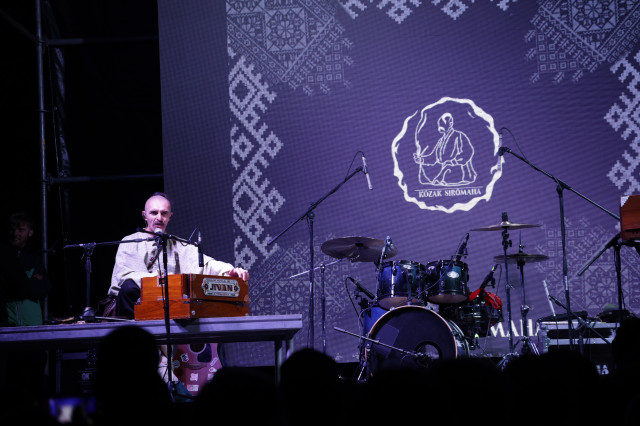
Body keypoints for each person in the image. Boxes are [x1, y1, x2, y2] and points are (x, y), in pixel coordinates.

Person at [108, 192, 249, 318]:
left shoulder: (179, 244)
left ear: (170, 216)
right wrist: (155, 279)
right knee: (129, 288)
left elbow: (207, 264)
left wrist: (230, 271)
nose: (159, 218)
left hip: (168, 308)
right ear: (144, 215)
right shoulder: (130, 241)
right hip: (131, 309)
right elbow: (124, 277)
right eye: (154, 213)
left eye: (164, 213)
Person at [413, 112, 477, 186]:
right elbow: (434, 157)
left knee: (446, 169)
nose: (440, 126)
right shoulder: (441, 140)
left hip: (460, 172)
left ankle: (440, 178)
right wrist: (421, 160)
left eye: (442, 123)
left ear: (450, 123)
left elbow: (468, 152)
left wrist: (452, 162)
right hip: (446, 172)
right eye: (439, 123)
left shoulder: (459, 136)